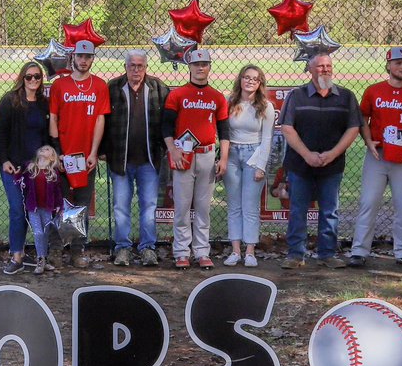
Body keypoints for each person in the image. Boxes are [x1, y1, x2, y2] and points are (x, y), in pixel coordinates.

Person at [279, 53, 362, 269]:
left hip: (332, 165)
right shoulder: (296, 95)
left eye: (328, 66)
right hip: (300, 164)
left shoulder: (346, 96)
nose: (325, 70)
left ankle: (327, 254)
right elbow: (287, 128)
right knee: (298, 210)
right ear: (310, 69)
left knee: (329, 210)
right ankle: (296, 255)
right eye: (320, 66)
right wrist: (307, 154)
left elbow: (353, 128)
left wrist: (333, 154)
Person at [348, 46, 402, 269]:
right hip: (378, 155)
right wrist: (367, 140)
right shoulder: (374, 91)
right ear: (389, 65)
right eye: (398, 63)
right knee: (368, 202)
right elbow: (363, 118)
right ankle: (359, 251)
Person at [162, 49, 229, 270]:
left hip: (208, 155)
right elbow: (166, 126)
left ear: (210, 66)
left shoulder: (217, 97)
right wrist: (173, 150)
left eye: (205, 63)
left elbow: (224, 131)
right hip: (184, 155)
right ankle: (181, 251)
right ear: (189, 66)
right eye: (196, 64)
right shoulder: (178, 94)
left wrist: (224, 158)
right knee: (181, 207)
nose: (200, 68)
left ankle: (201, 251)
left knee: (203, 208)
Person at [102, 49, 169, 267]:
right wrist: (103, 149)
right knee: (121, 206)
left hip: (149, 160)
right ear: (125, 67)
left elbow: (168, 123)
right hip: (120, 159)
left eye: (140, 66)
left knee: (149, 205)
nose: (136, 70)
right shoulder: (112, 88)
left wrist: (165, 148)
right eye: (132, 65)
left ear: (146, 67)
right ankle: (123, 247)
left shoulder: (158, 88)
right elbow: (102, 122)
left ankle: (148, 247)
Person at [49, 40, 110, 267]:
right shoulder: (60, 85)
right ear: (72, 58)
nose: (84, 61)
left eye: (88, 57)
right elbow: (53, 118)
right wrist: (58, 153)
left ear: (92, 59)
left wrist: (94, 152)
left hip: (86, 158)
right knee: (59, 204)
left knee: (82, 206)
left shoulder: (100, 86)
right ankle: (55, 249)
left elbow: (100, 119)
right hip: (64, 156)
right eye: (80, 56)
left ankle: (77, 250)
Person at [0, 60, 53, 275]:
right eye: (29, 76)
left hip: (38, 169)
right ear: (22, 78)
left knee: (36, 211)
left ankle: (40, 255)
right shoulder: (10, 101)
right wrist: (5, 159)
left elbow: (47, 135)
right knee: (18, 210)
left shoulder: (44, 103)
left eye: (37, 76)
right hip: (14, 167)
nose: (33, 80)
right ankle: (16, 255)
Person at [222, 64, 274, 267]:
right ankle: (235, 251)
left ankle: (250, 251)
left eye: (255, 78)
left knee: (250, 206)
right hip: (233, 154)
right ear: (240, 80)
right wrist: (224, 158)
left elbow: (268, 138)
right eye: (246, 77)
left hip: (254, 155)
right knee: (234, 205)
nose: (250, 81)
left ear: (260, 82)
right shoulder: (230, 101)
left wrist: (261, 165)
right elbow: (224, 132)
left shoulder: (265, 106)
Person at [22, 145, 64, 276]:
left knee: (45, 233)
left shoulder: (53, 173)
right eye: (41, 149)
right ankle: (40, 260)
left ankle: (44, 259)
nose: (42, 150)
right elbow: (20, 179)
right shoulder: (31, 168)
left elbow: (57, 192)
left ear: (52, 157)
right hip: (33, 207)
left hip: (47, 208)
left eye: (47, 149)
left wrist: (59, 206)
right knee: (38, 233)